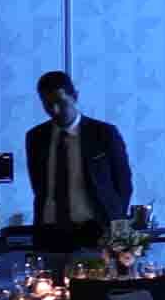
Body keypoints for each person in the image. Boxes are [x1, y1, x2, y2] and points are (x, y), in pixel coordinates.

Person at [21, 68, 135, 250]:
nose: (55, 110)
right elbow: (38, 186)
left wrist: (115, 225)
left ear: (75, 97)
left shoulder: (103, 133)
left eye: (61, 102)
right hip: (50, 232)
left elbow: (123, 184)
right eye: (48, 105)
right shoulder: (36, 137)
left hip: (96, 230)